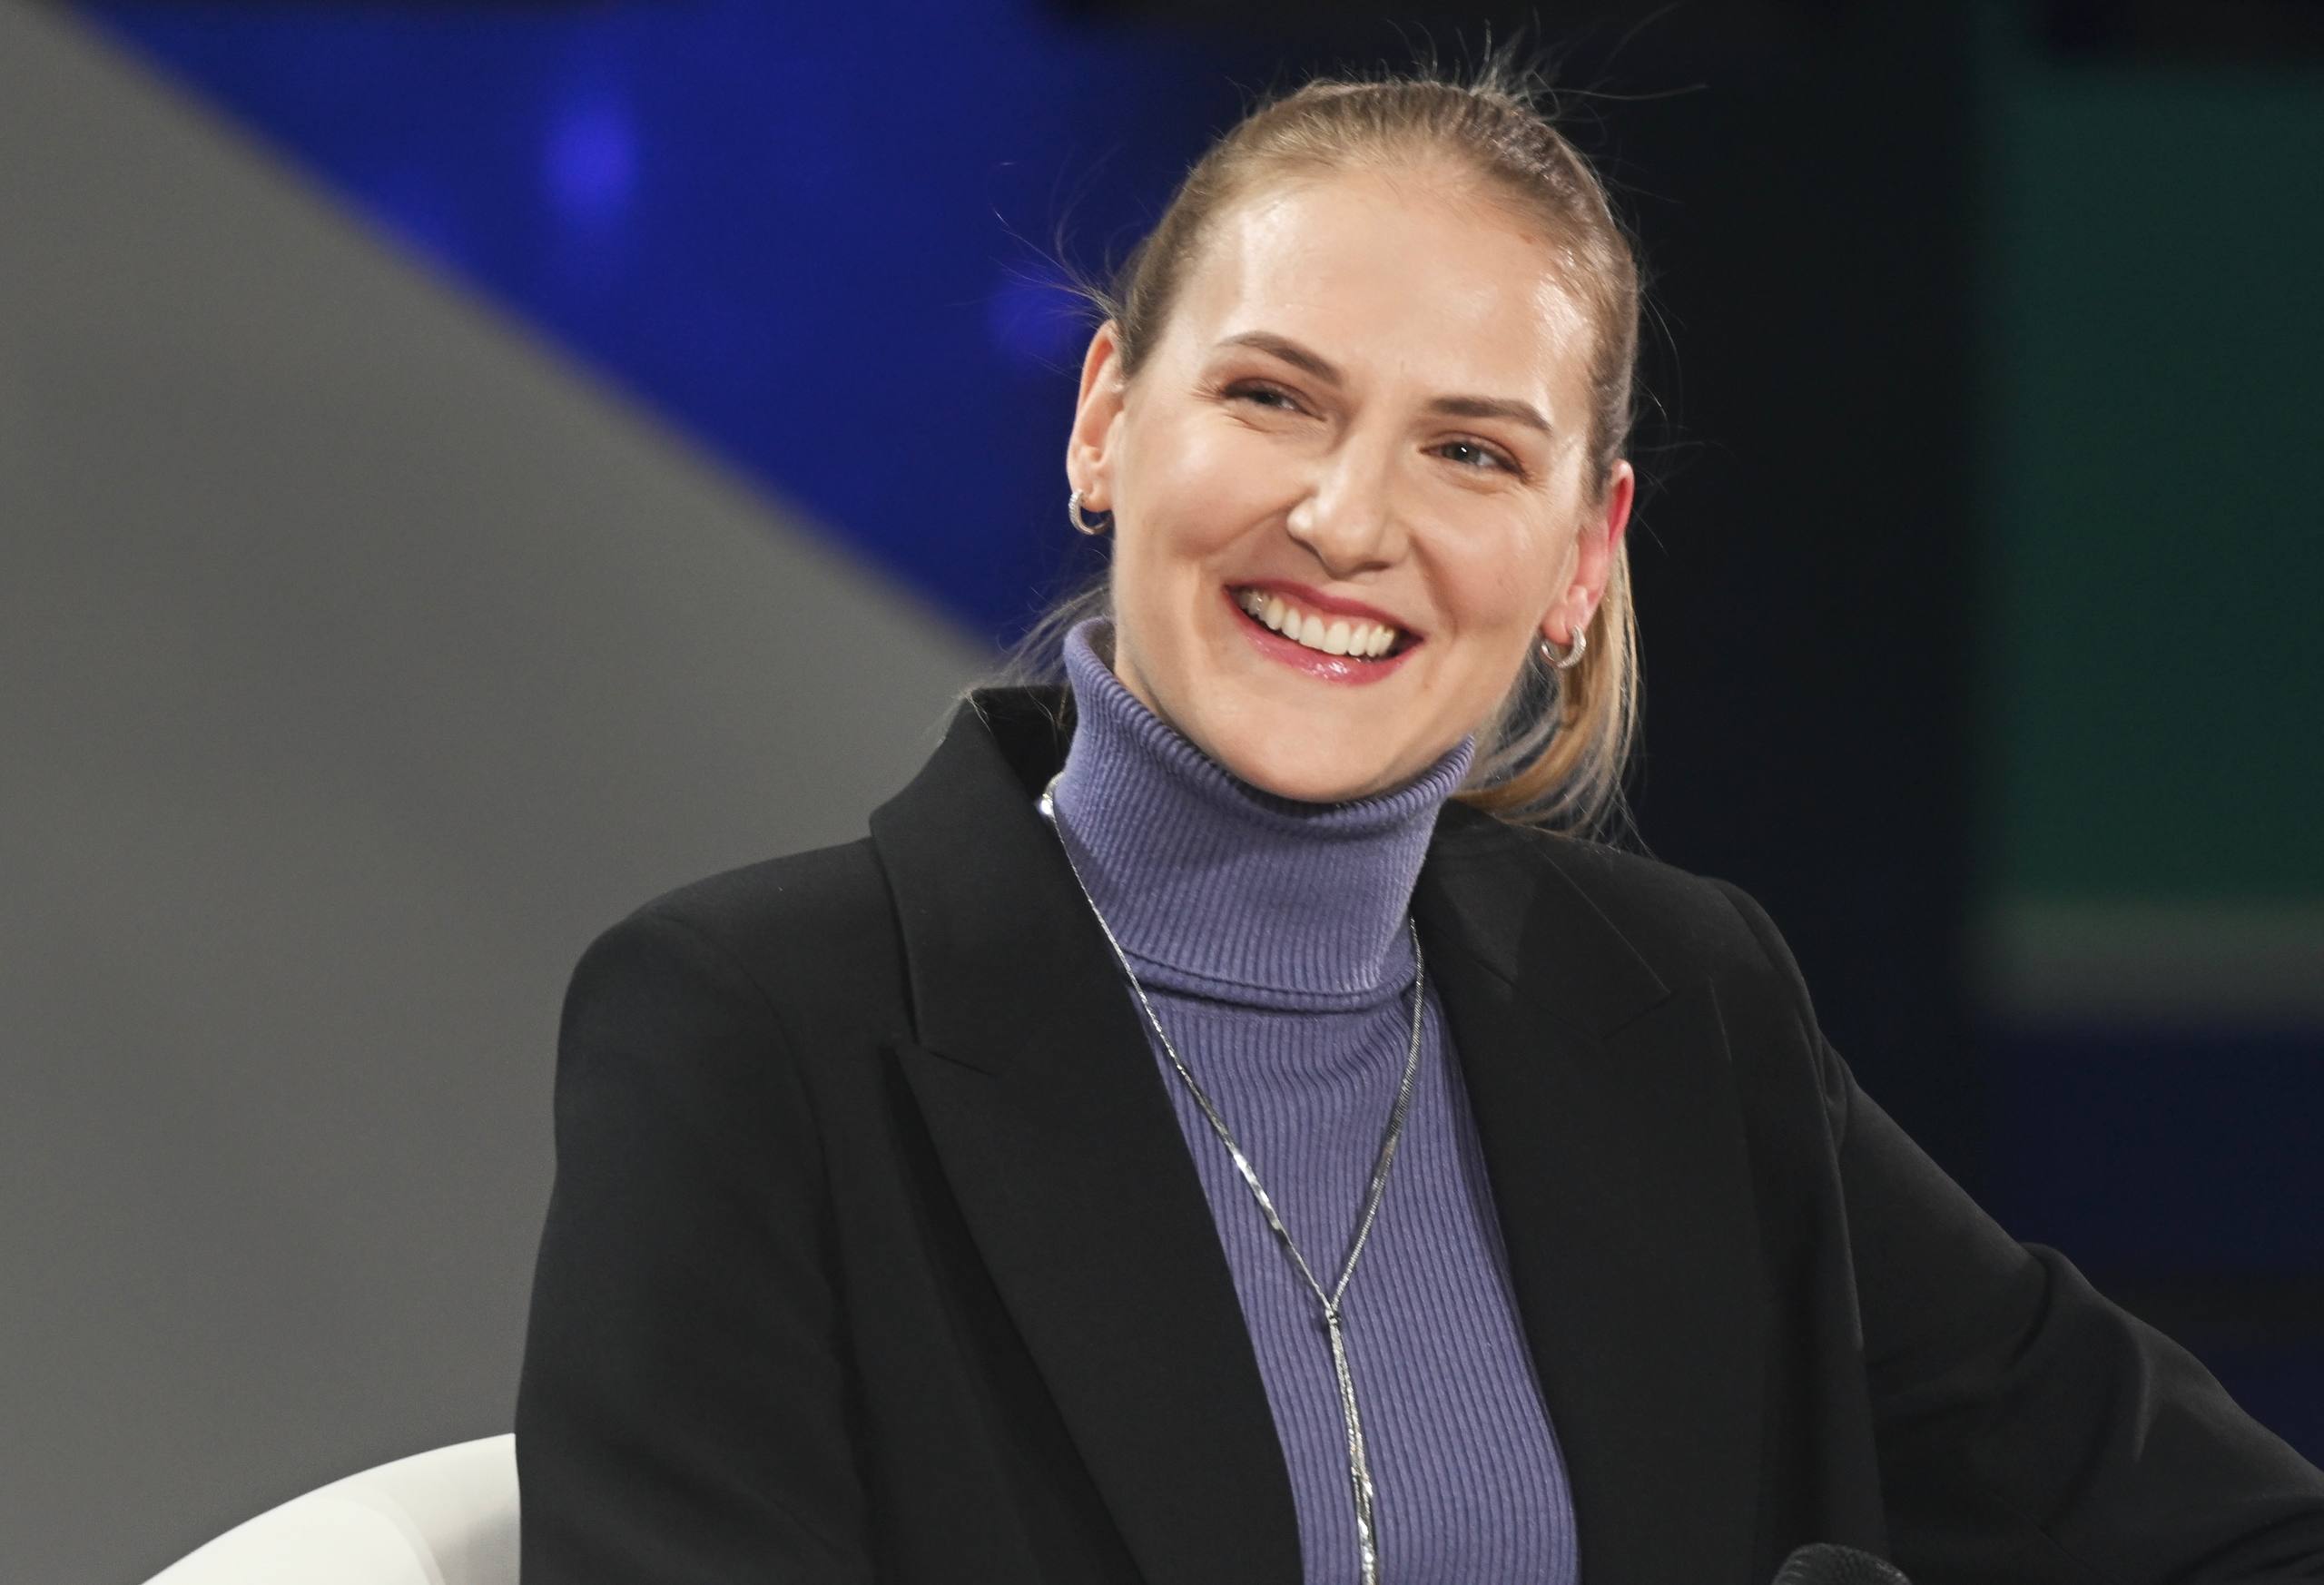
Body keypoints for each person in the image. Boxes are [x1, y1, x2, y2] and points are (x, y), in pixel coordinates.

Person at [512, 54, 2324, 1585]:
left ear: (1582, 555)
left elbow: (2229, 1534)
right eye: (1271, 397)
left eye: (1470, 450)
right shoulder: (752, 1030)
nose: (1346, 520)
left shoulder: (1685, 1007)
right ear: (1105, 422)